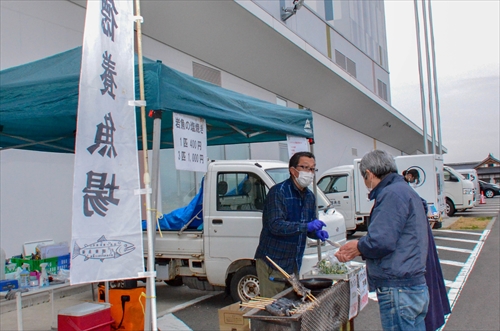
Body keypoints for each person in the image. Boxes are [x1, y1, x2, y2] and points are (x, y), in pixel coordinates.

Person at [335, 150, 429, 331]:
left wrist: (357, 246)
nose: (366, 183)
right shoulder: (404, 190)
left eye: (364, 178)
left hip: (399, 288)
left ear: (369, 173)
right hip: (413, 286)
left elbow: (381, 241)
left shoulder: (391, 194)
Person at [254, 151, 328, 298]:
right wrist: (306, 227)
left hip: (293, 263)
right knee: (273, 307)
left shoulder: (309, 197)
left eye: (313, 169)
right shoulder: (278, 193)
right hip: (272, 262)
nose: (310, 173)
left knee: (291, 305)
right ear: (293, 170)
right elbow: (275, 225)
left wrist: (315, 233)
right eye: (305, 168)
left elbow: (307, 226)